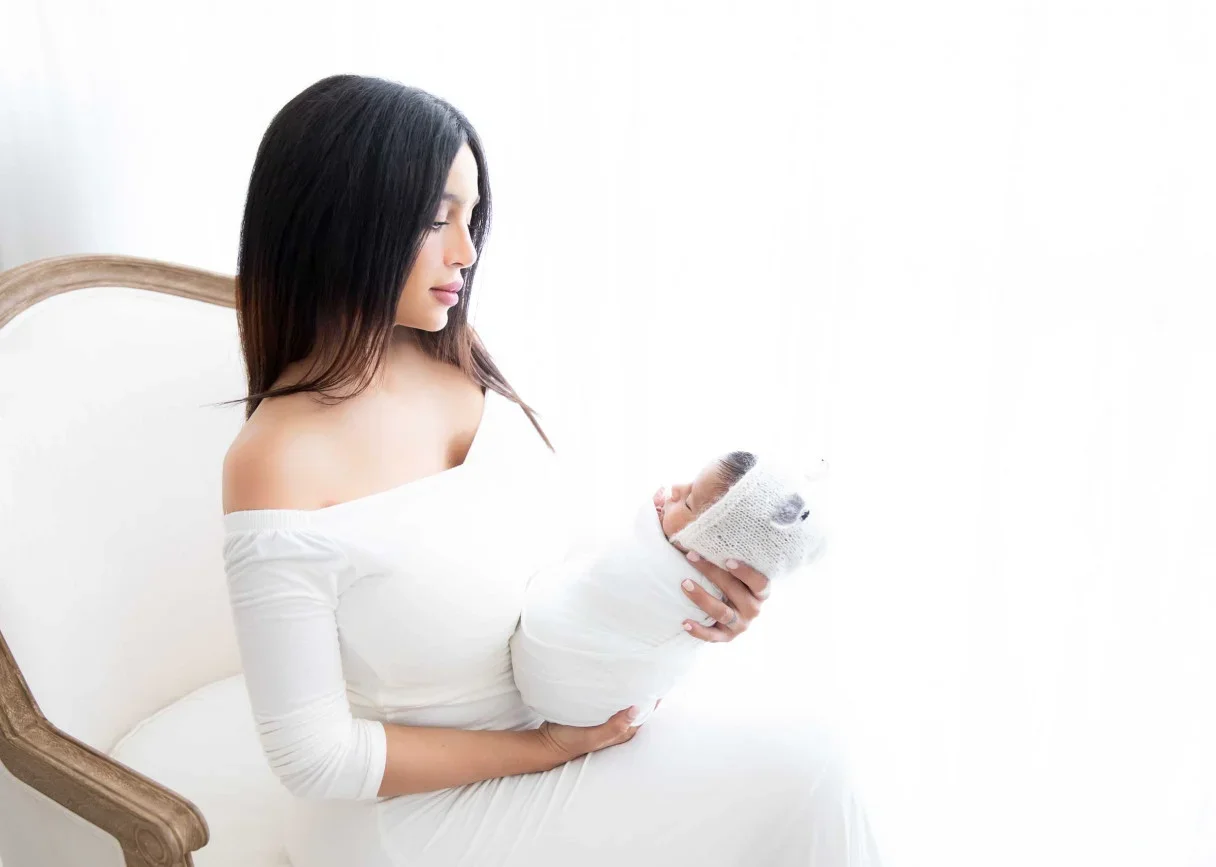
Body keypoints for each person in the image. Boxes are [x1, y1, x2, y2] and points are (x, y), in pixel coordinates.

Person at [219, 73, 879, 866]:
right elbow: (312, 755)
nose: (466, 252)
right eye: (437, 219)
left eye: (471, 218)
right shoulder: (278, 461)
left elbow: (545, 565)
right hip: (415, 812)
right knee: (805, 773)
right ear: (341, 220)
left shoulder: (458, 365)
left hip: (565, 725)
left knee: (812, 751)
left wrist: (677, 583)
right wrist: (549, 747)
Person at [511, 449, 830, 727]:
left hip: (580, 691)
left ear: (712, 545)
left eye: (688, 502)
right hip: (566, 682)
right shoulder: (647, 553)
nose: (674, 490)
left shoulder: (695, 589)